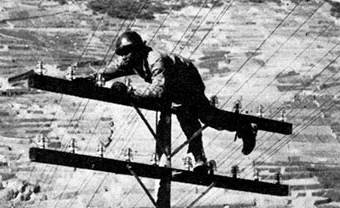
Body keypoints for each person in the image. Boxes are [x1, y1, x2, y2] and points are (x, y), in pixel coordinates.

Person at [86, 31, 257, 174]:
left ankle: (244, 127)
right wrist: (85, 81)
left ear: (137, 50)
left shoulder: (155, 60)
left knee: (205, 117)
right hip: (173, 88)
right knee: (187, 117)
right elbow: (104, 74)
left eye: (126, 53)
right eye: (122, 54)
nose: (123, 58)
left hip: (188, 82)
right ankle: (199, 159)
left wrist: (129, 92)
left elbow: (157, 92)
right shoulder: (131, 60)